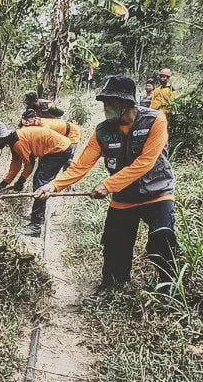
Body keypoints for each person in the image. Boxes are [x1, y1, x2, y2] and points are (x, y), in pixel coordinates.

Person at [34, 75, 177, 292]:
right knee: (114, 244)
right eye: (104, 103)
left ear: (125, 104)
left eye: (109, 103)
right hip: (124, 198)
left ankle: (169, 287)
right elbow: (81, 165)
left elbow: (146, 162)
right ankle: (113, 286)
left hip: (157, 192)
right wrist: (53, 186)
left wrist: (108, 185)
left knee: (162, 238)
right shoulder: (103, 131)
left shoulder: (155, 120)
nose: (105, 108)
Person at [0, 121, 73, 238]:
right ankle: (39, 218)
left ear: (0, 138)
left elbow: (29, 165)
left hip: (59, 150)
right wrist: (4, 183)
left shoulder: (17, 142)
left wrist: (21, 180)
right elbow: (16, 164)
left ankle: (35, 226)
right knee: (40, 181)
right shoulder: (13, 141)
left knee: (40, 185)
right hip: (55, 149)